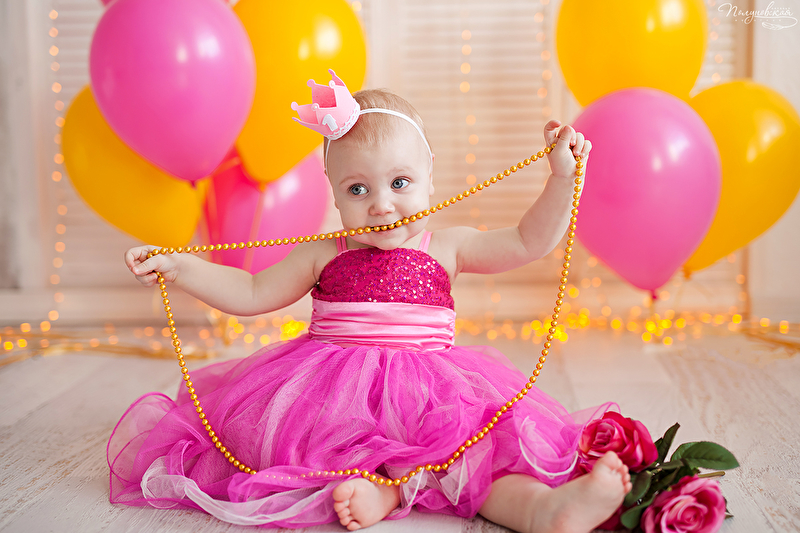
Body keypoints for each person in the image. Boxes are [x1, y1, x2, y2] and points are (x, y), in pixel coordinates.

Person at [110, 70, 631, 532]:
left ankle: (542, 512)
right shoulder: (322, 253)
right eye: (357, 189)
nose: (381, 205)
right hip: (333, 392)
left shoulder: (447, 246)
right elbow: (250, 293)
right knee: (315, 451)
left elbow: (527, 241)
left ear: (430, 177)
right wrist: (181, 268)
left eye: (400, 183)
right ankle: (381, 489)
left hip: (429, 391)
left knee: (471, 457)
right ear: (334, 193)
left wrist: (562, 179)